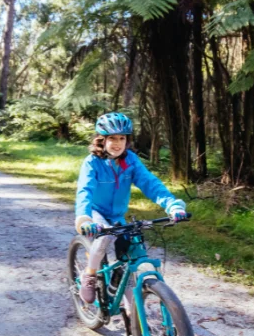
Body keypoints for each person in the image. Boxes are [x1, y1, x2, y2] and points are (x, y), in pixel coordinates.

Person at [75, 112, 187, 304]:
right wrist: (84, 218)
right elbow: (85, 191)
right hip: (96, 212)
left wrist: (172, 205)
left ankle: (131, 306)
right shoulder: (92, 163)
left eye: (122, 138)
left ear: (127, 140)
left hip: (117, 214)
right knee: (105, 238)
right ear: (101, 140)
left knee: (131, 250)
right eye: (112, 138)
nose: (117, 143)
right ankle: (90, 275)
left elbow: (151, 184)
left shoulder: (131, 161)